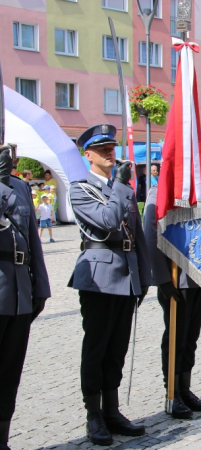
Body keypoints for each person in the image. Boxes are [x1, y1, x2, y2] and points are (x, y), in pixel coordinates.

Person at [68, 124, 151, 446]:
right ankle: (93, 414)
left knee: (117, 348)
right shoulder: (81, 188)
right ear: (87, 155)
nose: (109, 153)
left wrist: (143, 277)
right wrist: (118, 186)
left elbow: (138, 237)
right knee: (97, 347)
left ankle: (112, 410)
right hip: (99, 278)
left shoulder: (124, 189)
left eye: (111, 147)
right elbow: (107, 221)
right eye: (101, 149)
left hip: (127, 276)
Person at [143, 180, 201, 416]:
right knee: (176, 337)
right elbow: (151, 233)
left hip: (200, 273)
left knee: (191, 336)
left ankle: (185, 387)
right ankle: (172, 390)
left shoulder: (200, 189)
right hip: (176, 275)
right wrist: (161, 278)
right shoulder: (160, 190)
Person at [0, 145, 51, 450]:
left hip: (19, 291)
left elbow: (32, 235)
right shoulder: (8, 185)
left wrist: (41, 287)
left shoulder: (19, 185)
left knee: (10, 372)